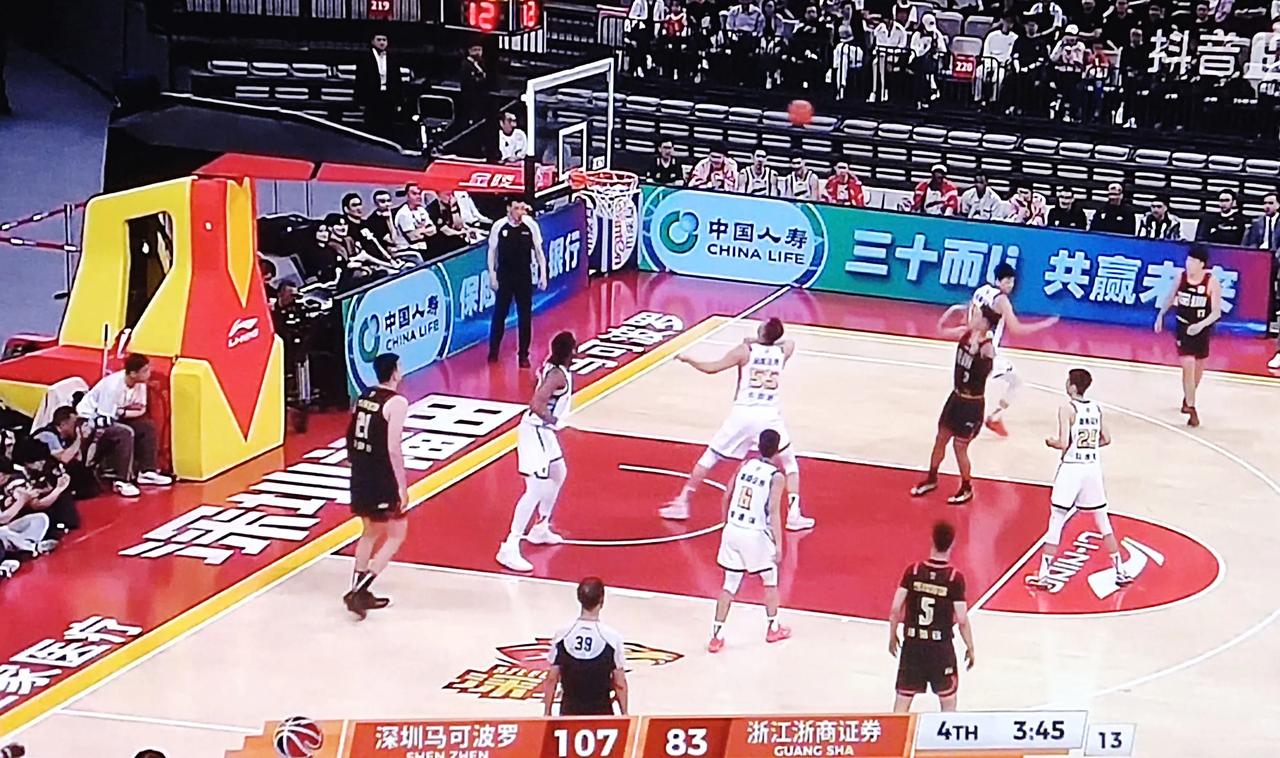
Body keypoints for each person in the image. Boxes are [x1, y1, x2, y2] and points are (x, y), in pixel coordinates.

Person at [660, 318, 814, 529]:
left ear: (761, 331)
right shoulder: (783, 351)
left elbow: (712, 368)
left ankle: (683, 502)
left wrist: (689, 360)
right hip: (769, 416)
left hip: (743, 414)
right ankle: (794, 514)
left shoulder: (744, 351)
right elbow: (789, 342)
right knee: (789, 463)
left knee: (711, 457)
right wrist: (765, 341)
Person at [1026, 368, 1133, 590]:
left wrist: (1051, 442)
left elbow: (1064, 443)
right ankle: (1120, 570)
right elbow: (1107, 439)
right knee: (1102, 520)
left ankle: (1044, 574)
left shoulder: (1067, 409)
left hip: (1072, 468)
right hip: (1092, 469)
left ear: (1073, 386)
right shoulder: (1096, 408)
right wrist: (1089, 448)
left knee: (1057, 518)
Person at [496, 332, 577, 572]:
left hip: (543, 431)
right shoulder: (557, 375)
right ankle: (510, 545)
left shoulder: (551, 368)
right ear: (570, 351)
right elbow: (536, 404)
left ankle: (541, 527)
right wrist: (556, 421)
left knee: (558, 473)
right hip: (536, 431)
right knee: (535, 489)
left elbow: (537, 387)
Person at [707, 429, 791, 652]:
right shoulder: (776, 477)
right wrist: (779, 545)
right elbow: (773, 512)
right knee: (770, 579)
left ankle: (716, 636)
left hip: (733, 529)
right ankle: (773, 628)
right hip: (754, 533)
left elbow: (726, 495)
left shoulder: (745, 465)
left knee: (729, 585)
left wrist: (725, 523)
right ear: (778, 449)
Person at [909, 306, 1000, 505]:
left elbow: (987, 372)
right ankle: (931, 478)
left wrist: (979, 356)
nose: (971, 317)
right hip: (955, 398)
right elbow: (941, 331)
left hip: (972, 404)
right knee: (940, 439)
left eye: (976, 316)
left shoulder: (987, 347)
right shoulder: (965, 334)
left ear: (985, 323)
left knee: (960, 447)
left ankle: (967, 487)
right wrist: (948, 316)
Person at [344, 353, 409, 620]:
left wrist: (355, 464)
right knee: (397, 533)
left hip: (361, 471)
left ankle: (357, 588)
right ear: (394, 372)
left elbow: (350, 434)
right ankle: (360, 589)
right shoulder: (397, 402)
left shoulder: (364, 396)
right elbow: (393, 447)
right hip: (381, 475)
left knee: (369, 532)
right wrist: (402, 485)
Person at [888, 521, 974, 713]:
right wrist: (970, 646)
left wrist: (892, 635)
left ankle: (896, 733)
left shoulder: (913, 571)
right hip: (940, 648)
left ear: (932, 540)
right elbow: (961, 619)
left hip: (913, 645)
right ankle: (946, 733)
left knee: (902, 704)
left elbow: (895, 609)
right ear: (952, 543)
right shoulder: (954, 578)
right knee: (948, 703)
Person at [968, 263, 1059, 435]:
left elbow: (971, 318)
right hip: (987, 354)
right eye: (1007, 281)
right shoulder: (1002, 300)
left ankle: (976, 420)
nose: (1010, 285)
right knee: (1015, 383)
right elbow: (1016, 329)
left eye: (1012, 281)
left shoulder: (981, 291)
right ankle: (992, 419)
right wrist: (1044, 325)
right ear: (997, 280)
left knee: (973, 388)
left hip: (970, 348)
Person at [76, 353, 172, 498]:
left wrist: (121, 412)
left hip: (117, 416)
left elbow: (141, 410)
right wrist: (124, 412)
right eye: (145, 370)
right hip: (92, 420)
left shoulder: (141, 385)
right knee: (124, 432)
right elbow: (104, 419)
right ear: (133, 374)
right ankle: (121, 480)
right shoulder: (112, 386)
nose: (149, 373)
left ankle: (147, 471)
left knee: (147, 427)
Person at [1154, 246, 1222, 428]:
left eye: (1192, 261)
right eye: (1187, 260)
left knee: (1198, 369)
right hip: (1183, 327)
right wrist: (1161, 315)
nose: (1188, 264)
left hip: (1201, 329)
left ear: (1201, 264)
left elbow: (1216, 313)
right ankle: (1192, 407)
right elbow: (1170, 297)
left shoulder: (1211, 281)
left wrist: (1200, 326)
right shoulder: (1181, 277)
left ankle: (1188, 398)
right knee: (1188, 366)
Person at [543, 577, 629, 716]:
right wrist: (625, 714)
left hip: (569, 713)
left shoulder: (562, 635)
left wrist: (547, 712)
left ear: (579, 598)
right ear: (602, 600)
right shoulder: (612, 638)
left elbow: (552, 678)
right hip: (601, 714)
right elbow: (619, 683)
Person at [487, 200, 548, 368]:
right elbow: (492, 251)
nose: (520, 212)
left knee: (525, 316)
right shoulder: (499, 226)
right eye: (516, 208)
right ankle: (493, 351)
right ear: (509, 209)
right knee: (500, 314)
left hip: (523, 275)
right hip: (505, 276)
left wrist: (543, 274)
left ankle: (523, 355)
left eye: (522, 208)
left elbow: (539, 251)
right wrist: (492, 274)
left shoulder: (530, 226)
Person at [0, 460, 58, 558]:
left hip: (11, 529)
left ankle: (22, 546)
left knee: (41, 518)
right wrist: (22, 499)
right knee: (3, 532)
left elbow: (35, 501)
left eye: (3, 474)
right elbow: (3, 519)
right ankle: (33, 547)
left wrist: (56, 489)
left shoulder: (15, 480)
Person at [354, 34, 404, 138]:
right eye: (379, 40)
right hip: (372, 97)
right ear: (372, 42)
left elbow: (397, 80)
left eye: (384, 40)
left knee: (388, 127)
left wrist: (398, 101)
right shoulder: (365, 58)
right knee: (372, 127)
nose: (382, 42)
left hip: (388, 97)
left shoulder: (392, 58)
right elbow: (360, 80)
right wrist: (360, 100)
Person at [393, 183, 440, 259]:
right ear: (407, 196)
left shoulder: (421, 210)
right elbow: (413, 237)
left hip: (424, 248)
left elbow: (433, 230)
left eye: (419, 193)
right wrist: (425, 230)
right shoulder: (403, 213)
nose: (418, 196)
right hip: (408, 251)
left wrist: (420, 231)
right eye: (414, 194)